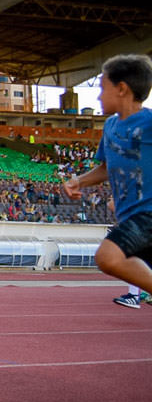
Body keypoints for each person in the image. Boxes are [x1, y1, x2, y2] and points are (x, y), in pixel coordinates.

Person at [64, 55, 152, 295]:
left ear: (122, 88)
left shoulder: (149, 122)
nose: (98, 96)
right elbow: (105, 168)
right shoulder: (110, 127)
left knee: (108, 257)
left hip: (148, 214)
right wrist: (78, 181)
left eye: (103, 88)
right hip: (128, 217)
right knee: (128, 263)